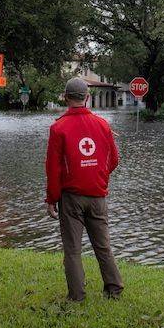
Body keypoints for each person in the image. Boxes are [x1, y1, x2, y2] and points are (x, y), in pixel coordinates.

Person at [45, 77, 123, 301]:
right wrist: (98, 177)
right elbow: (114, 159)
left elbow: (53, 169)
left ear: (65, 97)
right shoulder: (102, 125)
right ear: (87, 98)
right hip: (98, 195)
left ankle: (77, 296)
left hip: (71, 198)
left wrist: (51, 198)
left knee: (72, 249)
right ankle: (114, 288)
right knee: (103, 245)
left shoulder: (58, 127)